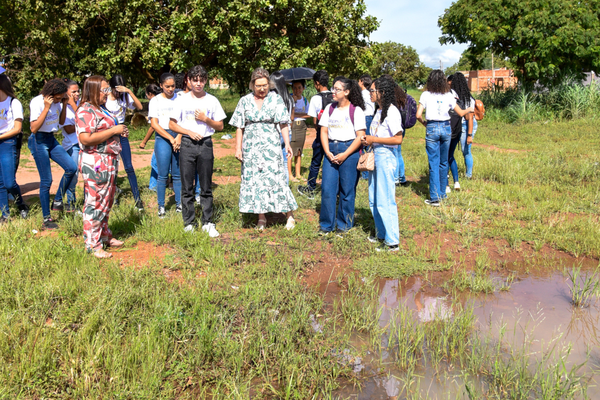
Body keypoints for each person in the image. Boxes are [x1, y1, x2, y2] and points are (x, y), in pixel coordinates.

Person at [230, 67, 297, 230]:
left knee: (277, 178)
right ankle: (261, 217)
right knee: (256, 180)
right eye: (258, 85)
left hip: (271, 146)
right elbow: (240, 126)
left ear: (270, 84)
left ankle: (289, 216)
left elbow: (283, 123)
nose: (262, 89)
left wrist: (287, 144)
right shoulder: (244, 101)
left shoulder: (276, 99)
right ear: (252, 85)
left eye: (265, 85)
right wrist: (238, 148)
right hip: (251, 148)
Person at [169, 65, 225, 236]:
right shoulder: (181, 100)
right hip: (187, 143)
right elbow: (172, 124)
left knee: (206, 186)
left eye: (201, 80)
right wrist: (188, 132)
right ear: (189, 81)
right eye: (195, 80)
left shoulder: (212, 100)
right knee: (187, 185)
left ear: (206, 81)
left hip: (206, 144)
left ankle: (207, 222)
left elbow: (221, 126)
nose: (198, 83)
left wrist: (206, 119)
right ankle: (189, 222)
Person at [75, 75, 127, 258]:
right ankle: (92, 244)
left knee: (107, 199)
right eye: (104, 90)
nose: (107, 93)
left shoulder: (100, 109)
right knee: (95, 201)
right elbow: (85, 138)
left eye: (107, 89)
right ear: (93, 90)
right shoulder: (85, 110)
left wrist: (118, 130)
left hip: (109, 160)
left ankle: (104, 235)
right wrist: (114, 130)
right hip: (96, 163)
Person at [416, 70, 473, 207]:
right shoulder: (448, 95)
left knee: (433, 163)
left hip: (432, 127)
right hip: (446, 128)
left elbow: (418, 114)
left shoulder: (425, 95)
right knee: (443, 161)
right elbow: (460, 113)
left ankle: (434, 197)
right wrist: (470, 109)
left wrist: (425, 123)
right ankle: (442, 194)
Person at [318, 77, 366, 234]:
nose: (333, 91)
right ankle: (326, 226)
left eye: (337, 89)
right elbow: (323, 131)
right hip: (331, 149)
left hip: (349, 150)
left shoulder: (356, 111)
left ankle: (344, 226)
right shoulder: (330, 108)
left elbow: (360, 136)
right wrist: (327, 152)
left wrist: (345, 154)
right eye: (333, 88)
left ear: (346, 92)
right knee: (327, 189)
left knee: (347, 190)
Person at [361, 76, 403, 252]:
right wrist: (369, 141)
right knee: (374, 198)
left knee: (385, 198)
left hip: (385, 156)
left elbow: (398, 139)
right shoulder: (379, 111)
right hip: (376, 155)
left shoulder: (392, 111)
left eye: (372, 90)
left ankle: (392, 241)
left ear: (382, 92)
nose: (369, 93)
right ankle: (381, 233)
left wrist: (374, 139)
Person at [28, 79, 78, 229]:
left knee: (72, 168)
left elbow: (61, 121)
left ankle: (57, 199)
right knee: (46, 180)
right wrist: (46, 107)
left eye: (60, 98)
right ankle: (46, 219)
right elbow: (33, 128)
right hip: (38, 141)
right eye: (57, 98)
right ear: (49, 94)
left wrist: (63, 104)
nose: (58, 100)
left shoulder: (58, 102)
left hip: (51, 139)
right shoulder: (37, 102)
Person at [105, 74, 144, 211]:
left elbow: (139, 106)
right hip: (108, 134)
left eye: (121, 91)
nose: (118, 94)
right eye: (117, 91)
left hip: (122, 134)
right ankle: (111, 198)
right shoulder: (105, 97)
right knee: (111, 168)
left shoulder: (125, 96)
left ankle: (137, 199)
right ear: (111, 87)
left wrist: (129, 92)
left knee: (128, 167)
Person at [297, 70, 332, 199]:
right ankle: (331, 189)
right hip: (335, 137)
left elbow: (314, 120)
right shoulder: (335, 95)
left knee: (316, 162)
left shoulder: (316, 98)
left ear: (317, 83)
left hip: (321, 135)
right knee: (331, 162)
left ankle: (311, 188)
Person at [150, 73, 180, 217]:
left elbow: (185, 120)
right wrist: (170, 138)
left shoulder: (180, 99)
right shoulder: (155, 101)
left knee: (178, 173)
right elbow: (154, 124)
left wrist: (179, 137)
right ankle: (161, 206)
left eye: (173, 86)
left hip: (179, 135)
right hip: (162, 136)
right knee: (162, 175)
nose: (170, 89)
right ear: (161, 85)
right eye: (167, 86)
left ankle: (179, 203)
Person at [0, 75, 28, 222]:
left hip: (7, 142)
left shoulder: (13, 103)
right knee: (0, 183)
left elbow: (17, 129)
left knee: (9, 182)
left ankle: (21, 204)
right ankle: (5, 215)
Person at [52, 79, 81, 212]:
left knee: (81, 173)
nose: (77, 94)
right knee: (73, 173)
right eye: (73, 92)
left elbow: (85, 121)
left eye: (78, 91)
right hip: (72, 145)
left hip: (83, 143)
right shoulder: (63, 107)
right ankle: (70, 203)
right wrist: (70, 105)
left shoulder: (80, 104)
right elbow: (68, 128)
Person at [448, 72, 477, 190]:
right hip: (458, 125)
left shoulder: (467, 99)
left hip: (466, 126)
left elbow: (469, 118)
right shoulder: (454, 96)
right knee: (451, 152)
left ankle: (468, 175)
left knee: (466, 151)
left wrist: (469, 135)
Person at [269, 71, 294, 184]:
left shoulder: (272, 99)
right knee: (284, 162)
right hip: (287, 132)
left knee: (272, 162)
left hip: (276, 132)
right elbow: (291, 117)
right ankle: (285, 188)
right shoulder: (289, 99)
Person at [140, 84, 162, 191]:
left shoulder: (154, 102)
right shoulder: (164, 99)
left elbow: (153, 126)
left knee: (155, 162)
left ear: (149, 94)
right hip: (172, 134)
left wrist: (144, 141)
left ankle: (153, 186)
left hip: (161, 136)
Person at [289, 79, 310, 182]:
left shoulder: (305, 100)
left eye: (299, 87)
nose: (297, 90)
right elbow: (290, 116)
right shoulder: (289, 99)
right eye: (295, 88)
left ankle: (298, 174)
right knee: (290, 151)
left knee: (299, 151)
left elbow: (309, 114)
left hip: (302, 126)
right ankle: (289, 175)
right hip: (293, 126)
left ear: (303, 88)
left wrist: (296, 115)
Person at [358, 74, 375, 180]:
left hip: (365, 118)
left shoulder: (363, 94)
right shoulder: (370, 93)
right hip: (370, 118)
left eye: (359, 81)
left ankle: (365, 172)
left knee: (363, 143)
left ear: (362, 82)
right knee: (368, 144)